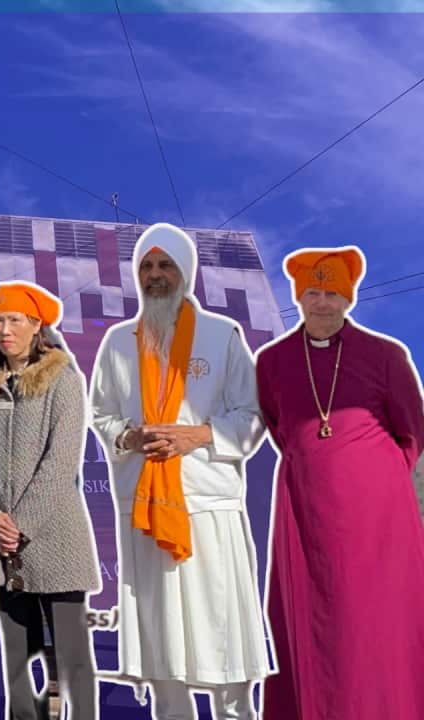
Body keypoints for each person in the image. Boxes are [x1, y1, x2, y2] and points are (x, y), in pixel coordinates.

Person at [89, 223, 270, 719]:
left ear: (185, 273)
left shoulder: (221, 335)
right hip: (146, 504)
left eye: (165, 265)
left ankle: (237, 714)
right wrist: (128, 436)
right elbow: (100, 412)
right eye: (146, 266)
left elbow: (252, 412)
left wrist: (198, 434)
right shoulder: (119, 341)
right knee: (160, 631)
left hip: (207, 500)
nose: (155, 275)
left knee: (222, 624)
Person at [256, 246, 424, 720]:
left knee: (377, 621)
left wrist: (373, 478)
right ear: (299, 296)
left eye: (333, 293)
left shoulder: (387, 355)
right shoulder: (272, 361)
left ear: (348, 298)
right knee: (312, 622)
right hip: (305, 508)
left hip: (378, 516)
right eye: (314, 292)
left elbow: (412, 431)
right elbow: (280, 426)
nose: (323, 303)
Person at [0, 281, 100, 720]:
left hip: (56, 542)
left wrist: (17, 526)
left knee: (72, 661)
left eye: (14, 320)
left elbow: (61, 463)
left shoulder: (64, 379)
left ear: (37, 324)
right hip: (8, 553)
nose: (4, 329)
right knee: (17, 662)